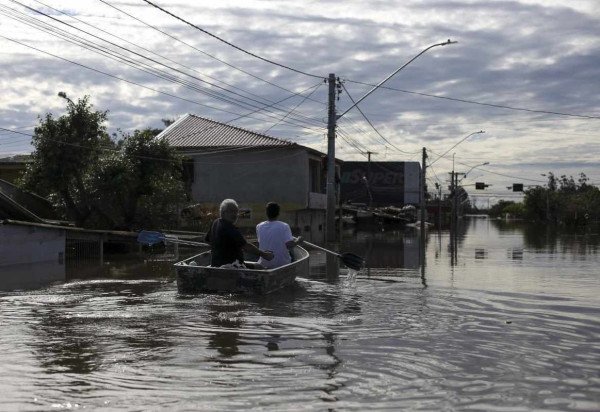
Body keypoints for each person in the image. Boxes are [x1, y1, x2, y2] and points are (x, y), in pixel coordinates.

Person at [204, 199, 273, 267]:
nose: (235, 215)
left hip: (217, 264)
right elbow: (246, 246)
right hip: (231, 266)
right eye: (232, 211)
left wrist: (220, 249)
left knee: (258, 266)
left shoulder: (215, 222)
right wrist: (264, 254)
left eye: (236, 212)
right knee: (260, 268)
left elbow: (207, 240)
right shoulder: (229, 227)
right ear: (223, 212)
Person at [256, 202, 302, 269]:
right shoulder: (284, 226)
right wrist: (298, 240)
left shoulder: (259, 226)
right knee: (292, 255)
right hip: (282, 265)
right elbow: (289, 245)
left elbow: (260, 242)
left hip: (264, 264)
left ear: (266, 213)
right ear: (278, 213)